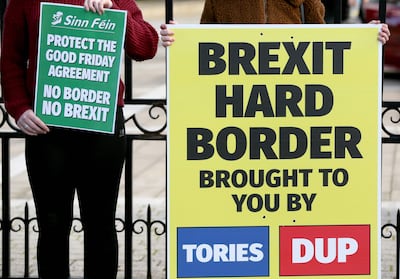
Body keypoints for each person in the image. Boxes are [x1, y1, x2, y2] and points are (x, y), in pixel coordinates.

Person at [0, 0, 159, 278]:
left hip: (102, 128)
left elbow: (146, 46)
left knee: (100, 225)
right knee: (51, 226)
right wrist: (19, 107)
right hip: (47, 129)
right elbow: (10, 57)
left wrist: (115, 13)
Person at [160, 0, 390, 46]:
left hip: (292, 103)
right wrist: (180, 40)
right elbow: (205, 44)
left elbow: (327, 44)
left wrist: (366, 39)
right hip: (238, 107)